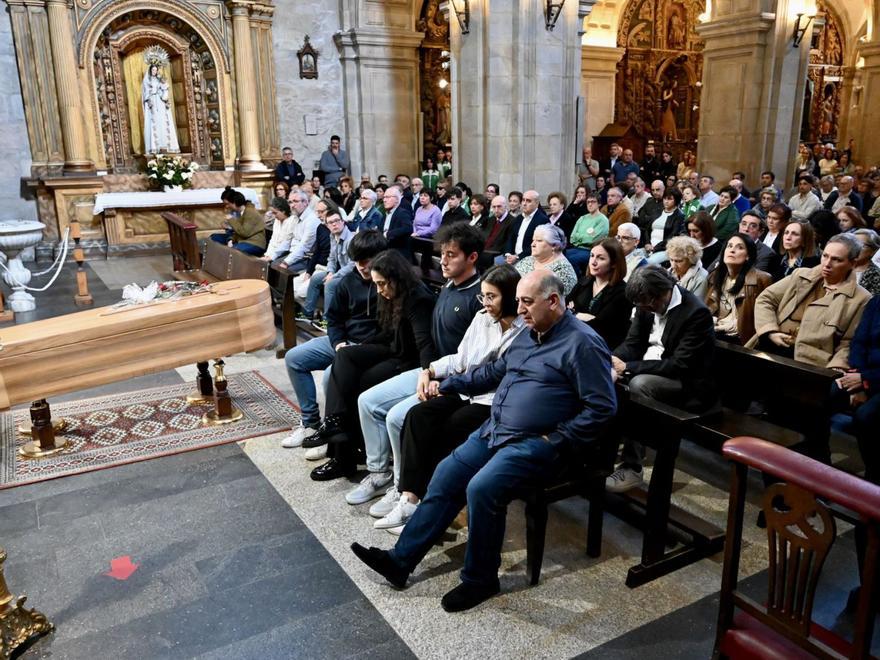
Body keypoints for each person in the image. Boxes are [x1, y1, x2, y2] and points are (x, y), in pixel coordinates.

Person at [351, 270, 617, 611]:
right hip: (497, 429)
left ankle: (480, 580)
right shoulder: (528, 334)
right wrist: (447, 384)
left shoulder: (582, 342)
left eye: (527, 302)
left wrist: (559, 439)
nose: (519, 309)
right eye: (517, 301)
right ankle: (400, 561)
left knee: (482, 488)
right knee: (446, 472)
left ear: (554, 301)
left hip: (539, 442)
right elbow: (491, 373)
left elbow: (602, 407)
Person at [369, 266, 526, 534]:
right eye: (483, 297)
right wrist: (429, 370)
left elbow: (495, 377)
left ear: (510, 297)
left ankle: (432, 504)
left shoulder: (524, 329)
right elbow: (460, 359)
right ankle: (408, 498)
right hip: (466, 390)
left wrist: (448, 382)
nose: (485, 303)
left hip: (493, 401)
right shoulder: (481, 319)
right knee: (419, 415)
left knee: (453, 425)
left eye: (492, 297)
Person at [343, 224, 483, 499]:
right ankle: (378, 472)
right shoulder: (448, 287)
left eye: (451, 255)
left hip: (454, 378)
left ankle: (401, 487)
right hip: (432, 369)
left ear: (472, 257)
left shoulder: (477, 298)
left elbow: (474, 357)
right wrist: (427, 371)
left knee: (397, 417)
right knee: (367, 401)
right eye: (442, 254)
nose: (442, 261)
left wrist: (437, 377)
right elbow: (430, 341)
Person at [310, 250, 438, 481]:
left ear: (396, 278)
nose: (379, 290)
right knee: (345, 357)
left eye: (381, 284)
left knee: (363, 381)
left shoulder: (418, 299)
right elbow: (387, 332)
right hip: (392, 348)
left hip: (408, 361)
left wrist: (427, 372)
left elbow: (424, 344)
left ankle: (342, 452)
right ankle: (336, 428)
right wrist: (359, 347)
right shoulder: (392, 294)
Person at [607, 266, 716, 492]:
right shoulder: (645, 304)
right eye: (642, 305)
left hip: (686, 384)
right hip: (650, 367)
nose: (647, 309)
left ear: (665, 291)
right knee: (608, 376)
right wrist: (613, 360)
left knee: (638, 385)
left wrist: (629, 367)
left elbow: (680, 365)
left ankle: (632, 466)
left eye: (650, 304)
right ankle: (600, 454)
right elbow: (633, 343)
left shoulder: (696, 313)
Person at [280, 230, 387, 448]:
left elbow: (392, 327)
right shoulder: (347, 281)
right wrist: (338, 343)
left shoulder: (388, 283)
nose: (361, 266)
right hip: (344, 343)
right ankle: (311, 423)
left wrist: (356, 349)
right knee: (294, 358)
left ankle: (335, 436)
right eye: (357, 261)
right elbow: (334, 319)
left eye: (367, 261)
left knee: (331, 376)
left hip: (369, 348)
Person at [747, 233, 871, 372]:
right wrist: (770, 331)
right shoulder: (800, 275)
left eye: (836, 260)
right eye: (825, 256)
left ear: (852, 264)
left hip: (810, 362)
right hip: (771, 343)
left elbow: (849, 342)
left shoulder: (861, 298)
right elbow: (765, 299)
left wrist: (836, 367)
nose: (827, 264)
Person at [705, 233, 772, 344]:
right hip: (713, 332)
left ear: (748, 256)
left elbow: (757, 321)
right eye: (729, 246)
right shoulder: (714, 276)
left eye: (740, 247)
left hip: (739, 339)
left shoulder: (761, 279)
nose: (732, 250)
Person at [567, 238, 632, 349]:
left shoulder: (622, 292)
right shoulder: (584, 282)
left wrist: (574, 313)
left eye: (600, 258)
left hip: (600, 346)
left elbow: (601, 326)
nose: (593, 262)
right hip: (574, 339)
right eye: (592, 256)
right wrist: (578, 315)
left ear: (614, 264)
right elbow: (564, 308)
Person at [298, 212, 354, 322]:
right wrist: (330, 272)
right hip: (339, 271)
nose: (334, 224)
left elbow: (352, 265)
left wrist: (334, 276)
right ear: (327, 226)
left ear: (343, 222)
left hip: (351, 274)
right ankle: (308, 313)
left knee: (330, 284)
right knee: (315, 278)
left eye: (337, 221)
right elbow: (331, 258)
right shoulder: (333, 236)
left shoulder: (350, 240)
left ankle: (327, 321)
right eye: (330, 222)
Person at [515, 224, 578, 296]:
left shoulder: (563, 271)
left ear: (554, 246)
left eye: (539, 241)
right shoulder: (527, 260)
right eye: (533, 240)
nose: (532, 244)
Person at [212, 188, 265, 256]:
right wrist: (230, 239)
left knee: (232, 251)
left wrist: (231, 219)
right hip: (241, 240)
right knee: (214, 238)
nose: (226, 206)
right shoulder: (239, 212)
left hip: (254, 243)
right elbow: (237, 232)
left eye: (227, 204)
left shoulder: (250, 212)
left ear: (234, 202)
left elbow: (244, 233)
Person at [565, 195, 609, 274]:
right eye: (588, 202)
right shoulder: (582, 218)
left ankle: (576, 283)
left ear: (599, 204)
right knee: (561, 255)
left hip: (590, 250)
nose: (590, 204)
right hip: (576, 247)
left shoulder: (602, 220)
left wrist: (579, 237)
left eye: (593, 202)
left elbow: (594, 240)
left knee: (572, 259)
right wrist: (585, 237)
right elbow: (572, 237)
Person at [502, 190, 549, 264]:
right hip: (512, 257)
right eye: (523, 200)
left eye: (528, 201)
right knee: (496, 263)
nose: (524, 203)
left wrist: (518, 257)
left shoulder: (542, 220)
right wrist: (508, 254)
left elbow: (539, 246)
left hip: (530, 259)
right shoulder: (519, 218)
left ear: (536, 203)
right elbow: (511, 238)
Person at [278, 190, 321, 272]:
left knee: (282, 270)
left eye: (295, 201)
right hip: (293, 254)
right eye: (290, 202)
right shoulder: (295, 217)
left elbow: (304, 246)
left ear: (305, 202)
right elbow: (287, 239)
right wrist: (271, 256)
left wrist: (286, 262)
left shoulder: (312, 220)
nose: (292, 205)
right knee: (272, 264)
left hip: (306, 258)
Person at [142, 62, 179, 153]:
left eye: (156, 70)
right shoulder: (147, 80)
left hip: (160, 102)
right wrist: (149, 99)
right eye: (153, 70)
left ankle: (167, 146)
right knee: (154, 122)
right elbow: (145, 93)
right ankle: (155, 147)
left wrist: (164, 93)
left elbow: (164, 91)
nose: (154, 71)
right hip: (153, 102)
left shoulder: (160, 79)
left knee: (163, 121)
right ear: (150, 70)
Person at [645, 188, 685, 265]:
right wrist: (647, 243)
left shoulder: (679, 215)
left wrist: (655, 248)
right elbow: (647, 229)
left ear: (676, 200)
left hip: (664, 249)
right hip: (649, 246)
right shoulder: (657, 211)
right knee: (634, 257)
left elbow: (673, 236)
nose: (666, 201)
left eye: (669, 199)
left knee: (648, 262)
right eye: (665, 198)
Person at [379, 186, 415, 253]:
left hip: (398, 253)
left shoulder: (402, 213)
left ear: (396, 199)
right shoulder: (385, 214)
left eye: (388, 197)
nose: (384, 200)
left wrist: (387, 234)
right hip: (385, 251)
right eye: (384, 197)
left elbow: (408, 228)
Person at [262, 197, 296, 262]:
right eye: (273, 213)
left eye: (275, 213)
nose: (274, 216)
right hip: (274, 252)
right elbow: (273, 240)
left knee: (273, 265)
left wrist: (272, 257)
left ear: (283, 211)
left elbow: (286, 243)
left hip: (285, 252)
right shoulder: (277, 221)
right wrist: (267, 254)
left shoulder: (292, 221)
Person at [853, 228, 880, 297]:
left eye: (862, 245)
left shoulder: (876, 275)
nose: (856, 248)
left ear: (874, 250)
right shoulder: (842, 267)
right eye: (853, 243)